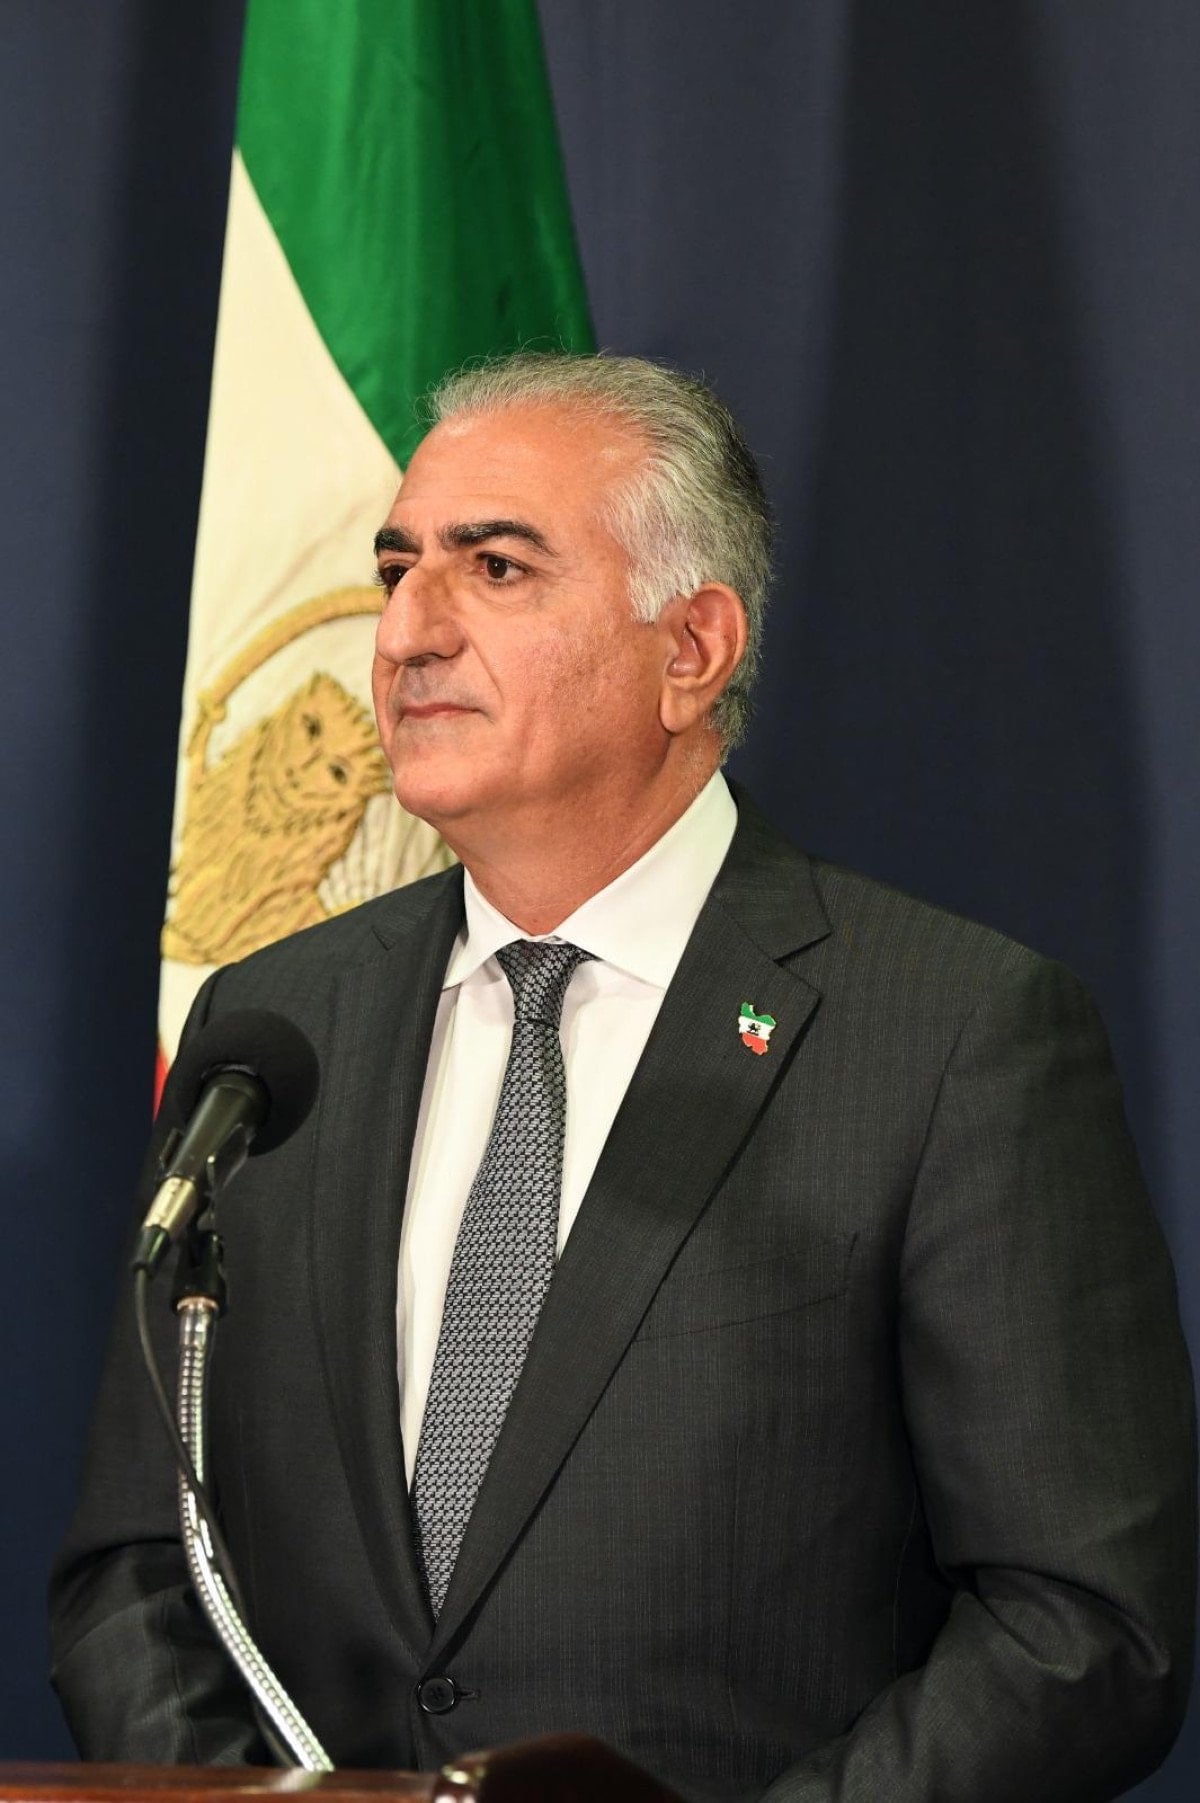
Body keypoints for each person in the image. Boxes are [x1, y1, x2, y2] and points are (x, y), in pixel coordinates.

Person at [50, 353, 1195, 1800]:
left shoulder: (956, 1035)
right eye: (398, 570)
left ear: (692, 648)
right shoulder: (278, 1023)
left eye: (496, 568)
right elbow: (140, 1566)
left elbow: (1080, 1622)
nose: (405, 632)